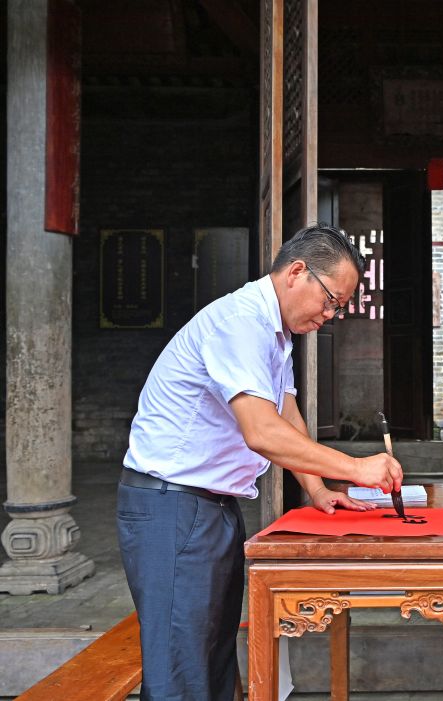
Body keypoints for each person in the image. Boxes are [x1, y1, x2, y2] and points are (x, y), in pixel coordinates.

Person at [117, 225, 403, 701]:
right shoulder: (241, 322)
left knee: (213, 658)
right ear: (297, 272)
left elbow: (285, 413)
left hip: (211, 506)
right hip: (171, 506)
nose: (330, 316)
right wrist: (355, 469)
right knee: (180, 670)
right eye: (331, 301)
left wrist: (317, 491)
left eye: (340, 308)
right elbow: (261, 431)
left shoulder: (275, 333)